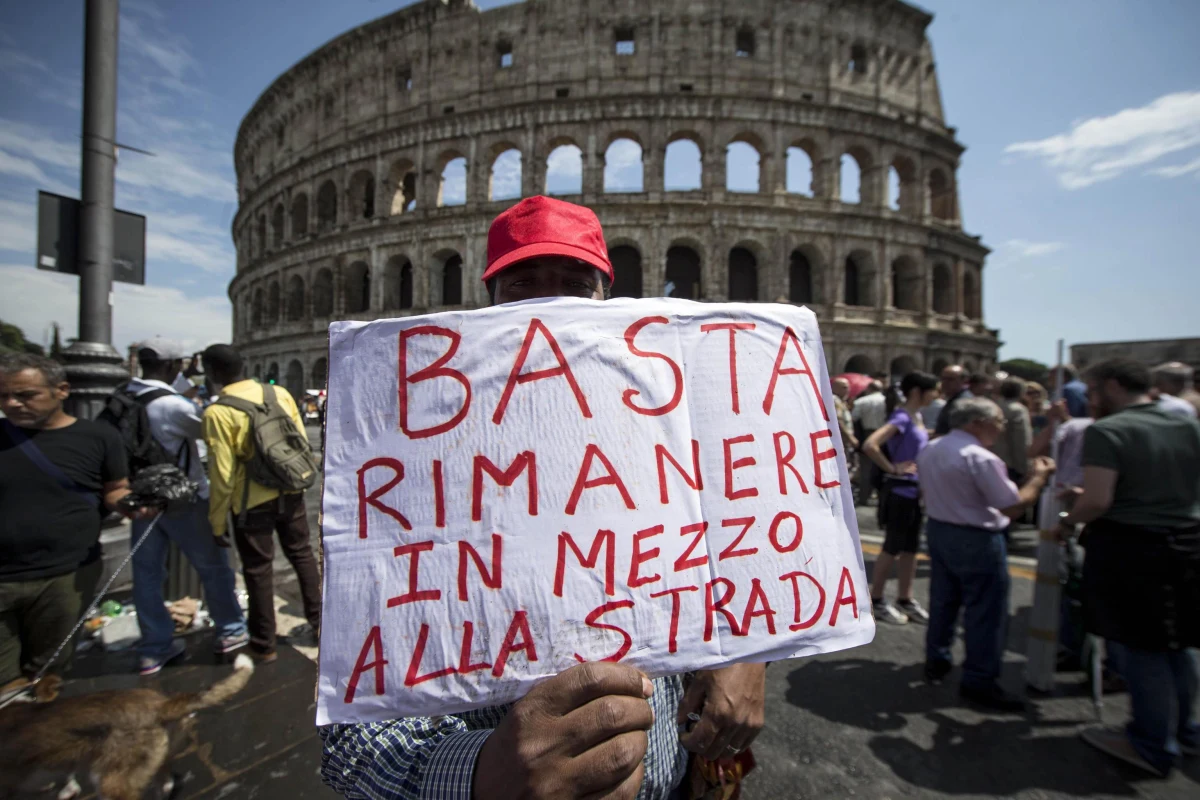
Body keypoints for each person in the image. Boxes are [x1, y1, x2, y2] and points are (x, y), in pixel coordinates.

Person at [320, 196, 767, 800]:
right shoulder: (419, 465)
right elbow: (350, 746)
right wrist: (476, 776)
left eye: (575, 287)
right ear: (491, 304)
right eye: (524, 287)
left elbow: (744, 563)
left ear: (605, 300)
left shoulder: (667, 434)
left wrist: (749, 652)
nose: (551, 309)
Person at [1057, 359, 1200, 777]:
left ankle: (1151, 744)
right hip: (1189, 538)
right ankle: (1186, 729)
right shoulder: (1188, 424)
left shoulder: (1109, 430)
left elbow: (1098, 502)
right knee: (1180, 642)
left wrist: (1067, 519)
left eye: (1094, 392)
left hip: (1135, 545)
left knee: (1142, 647)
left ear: (1113, 387)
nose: (1091, 401)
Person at [0, 354, 140, 695]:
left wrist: (130, 504)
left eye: (25, 394)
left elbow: (114, 489)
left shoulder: (99, 438)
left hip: (66, 575)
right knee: (5, 682)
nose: (12, 404)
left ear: (62, 390)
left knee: (48, 674)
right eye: (2, 396)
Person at [917, 397, 1054, 711]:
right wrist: (1038, 479)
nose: (1002, 427)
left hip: (940, 529)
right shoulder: (980, 457)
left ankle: (936, 659)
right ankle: (979, 679)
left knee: (943, 599)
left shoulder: (931, 447)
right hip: (975, 536)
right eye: (998, 421)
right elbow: (1011, 505)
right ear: (976, 422)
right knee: (985, 611)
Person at [125, 338, 248, 675]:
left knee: (147, 575)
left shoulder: (124, 395)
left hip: (143, 500)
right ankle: (231, 630)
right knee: (213, 566)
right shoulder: (173, 406)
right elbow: (211, 428)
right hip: (184, 498)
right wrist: (201, 383)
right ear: (173, 365)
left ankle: (153, 648)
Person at [202, 344, 322, 664]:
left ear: (211, 372)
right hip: (291, 492)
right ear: (244, 365)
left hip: (251, 502)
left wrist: (216, 523)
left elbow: (222, 475)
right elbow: (300, 440)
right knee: (302, 555)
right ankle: (320, 623)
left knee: (258, 570)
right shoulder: (279, 394)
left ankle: (264, 643)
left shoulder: (218, 412)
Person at [862, 371, 938, 625]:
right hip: (899, 490)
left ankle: (905, 598)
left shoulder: (914, 417)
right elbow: (871, 444)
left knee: (910, 549)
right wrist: (893, 467)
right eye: (933, 390)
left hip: (913, 492)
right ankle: (877, 598)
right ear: (917, 391)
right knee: (892, 547)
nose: (936, 395)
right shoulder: (902, 416)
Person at [991, 377, 1032, 485]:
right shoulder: (1018, 410)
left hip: (992, 463)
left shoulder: (993, 407)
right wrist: (1024, 468)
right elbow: (1021, 440)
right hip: (1011, 466)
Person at [852, 381, 887, 504]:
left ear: (869, 389)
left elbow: (854, 417)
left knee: (866, 468)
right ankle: (882, 498)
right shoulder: (887, 401)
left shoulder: (862, 401)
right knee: (883, 466)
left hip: (867, 434)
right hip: (885, 434)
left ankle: (863, 497)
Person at [932, 364, 972, 437]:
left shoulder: (963, 403)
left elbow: (956, 434)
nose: (945, 383)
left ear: (964, 381)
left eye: (950, 379)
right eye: (943, 379)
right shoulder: (953, 399)